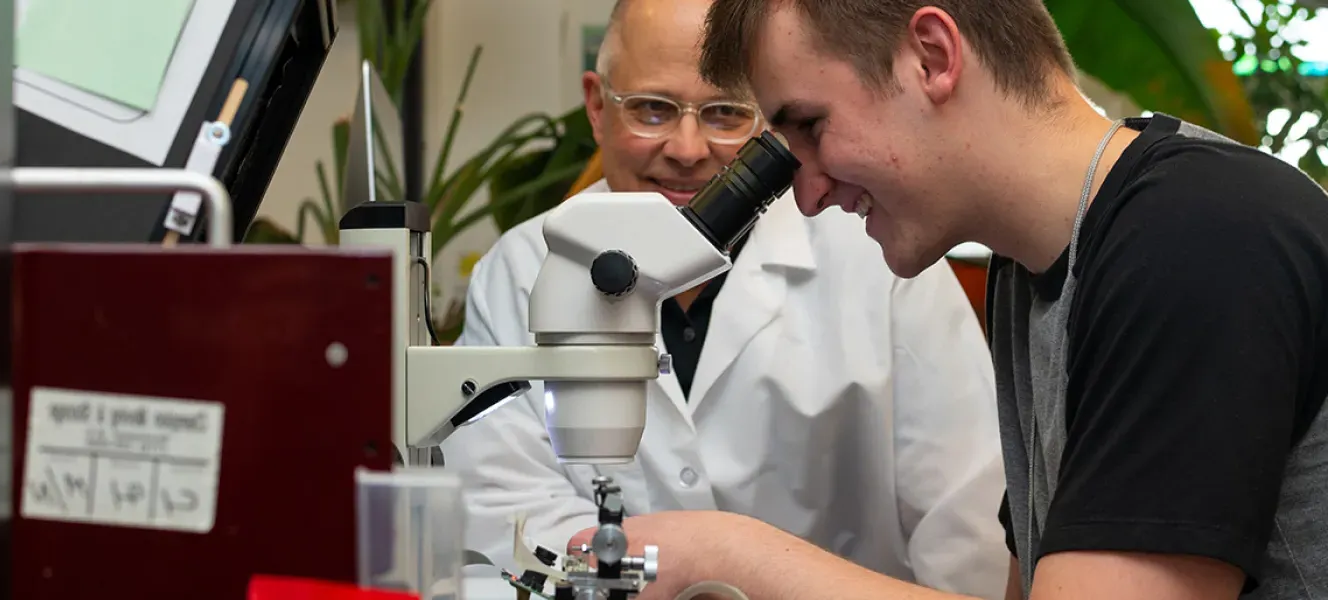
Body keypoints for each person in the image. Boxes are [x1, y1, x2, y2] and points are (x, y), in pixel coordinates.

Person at [568, 0, 1328, 598]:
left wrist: (726, 550)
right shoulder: (1033, 269)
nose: (804, 193)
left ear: (932, 56)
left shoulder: (1200, 234)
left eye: (811, 125)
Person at [439, 0, 1012, 596]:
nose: (688, 150)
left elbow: (967, 533)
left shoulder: (882, 260)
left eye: (725, 114)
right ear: (596, 106)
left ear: (770, 118)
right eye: (653, 110)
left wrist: (732, 565)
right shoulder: (524, 270)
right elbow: (507, 522)